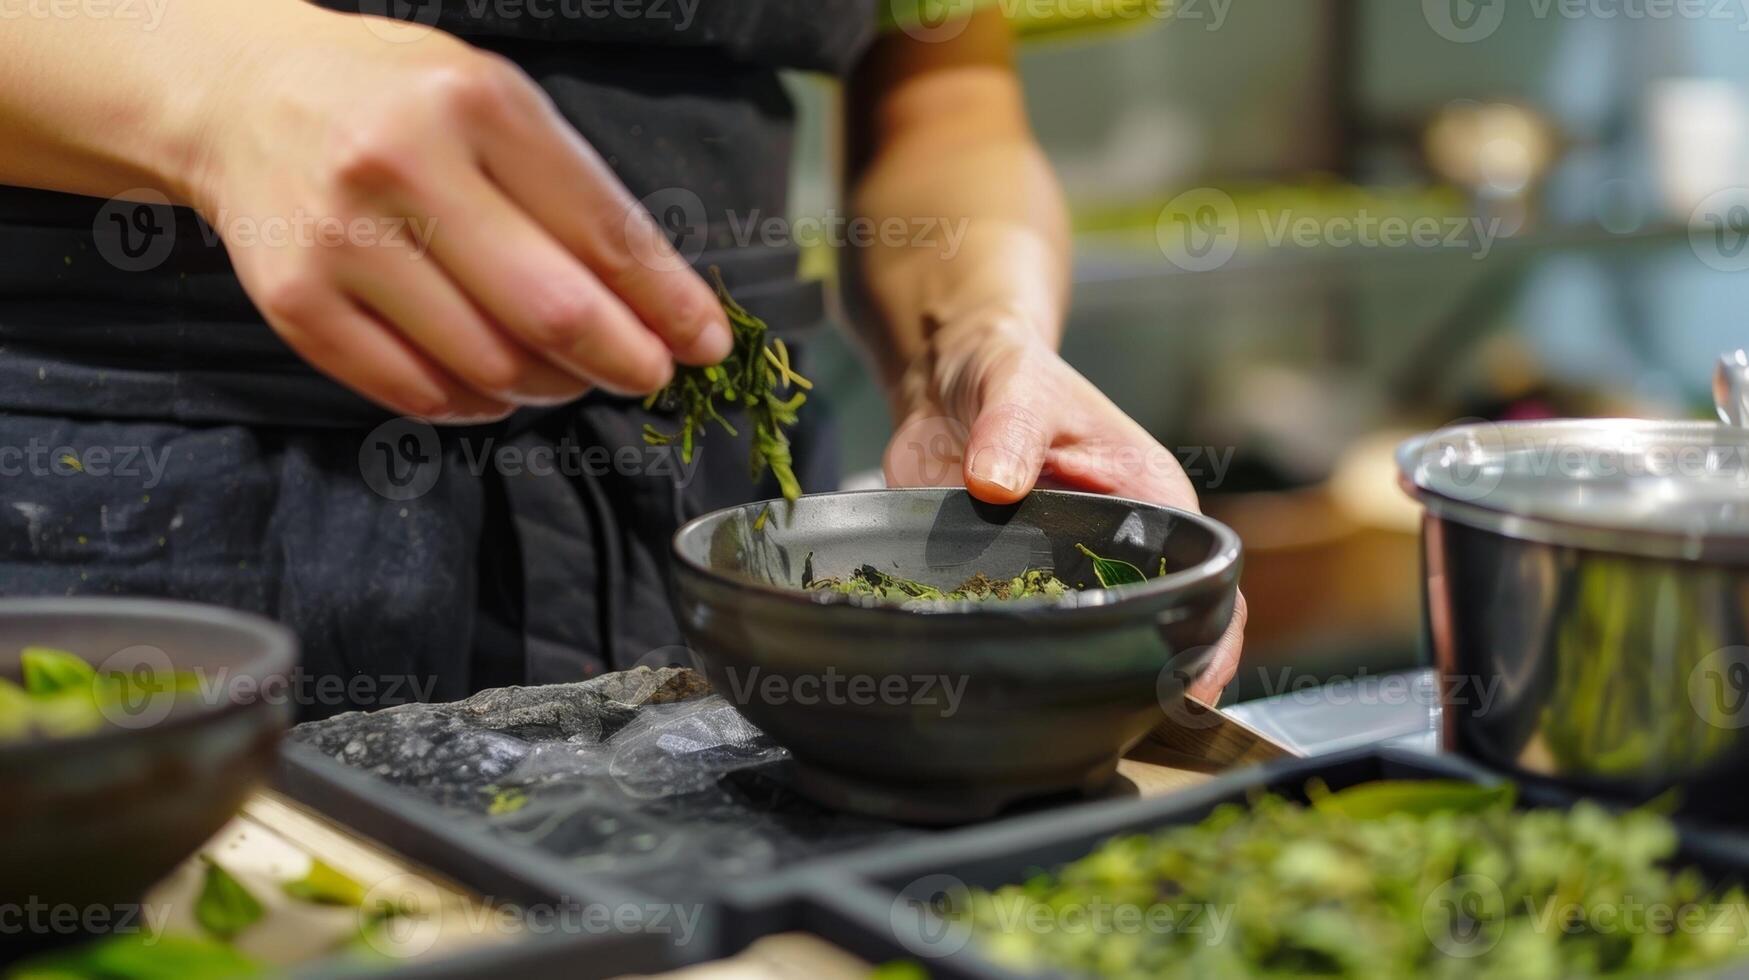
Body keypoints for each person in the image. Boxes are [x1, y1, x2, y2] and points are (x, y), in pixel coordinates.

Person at [0, 0, 1244, 718]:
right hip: (115, 503)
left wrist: (973, 336)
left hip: (701, 519)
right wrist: (215, 87)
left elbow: (946, 98)